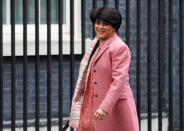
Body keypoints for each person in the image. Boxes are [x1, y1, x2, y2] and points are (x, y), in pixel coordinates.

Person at [69, 6, 139, 131]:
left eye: (105, 24)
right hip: (92, 103)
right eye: (98, 23)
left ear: (114, 27)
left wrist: (104, 107)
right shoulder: (96, 43)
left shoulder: (119, 47)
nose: (100, 27)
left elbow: (119, 81)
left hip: (113, 108)